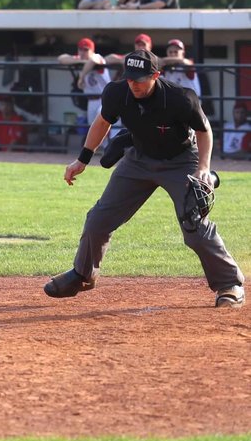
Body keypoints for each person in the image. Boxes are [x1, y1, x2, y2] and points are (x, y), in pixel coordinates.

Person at [43, 49, 245, 309]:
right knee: (98, 219)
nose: (133, 83)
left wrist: (203, 169)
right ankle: (82, 275)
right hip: (138, 159)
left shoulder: (180, 98)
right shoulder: (117, 92)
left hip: (180, 160)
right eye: (129, 77)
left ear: (156, 75)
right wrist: (82, 159)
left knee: (194, 226)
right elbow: (102, 121)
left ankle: (230, 284)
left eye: (140, 78)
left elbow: (204, 130)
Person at [58, 37, 111, 125]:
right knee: (92, 129)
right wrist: (80, 61)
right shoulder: (81, 59)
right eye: (80, 49)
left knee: (103, 124)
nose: (82, 52)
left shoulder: (97, 56)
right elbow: (61, 58)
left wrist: (81, 77)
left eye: (86, 50)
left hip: (106, 100)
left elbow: (93, 60)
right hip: (91, 100)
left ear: (92, 51)